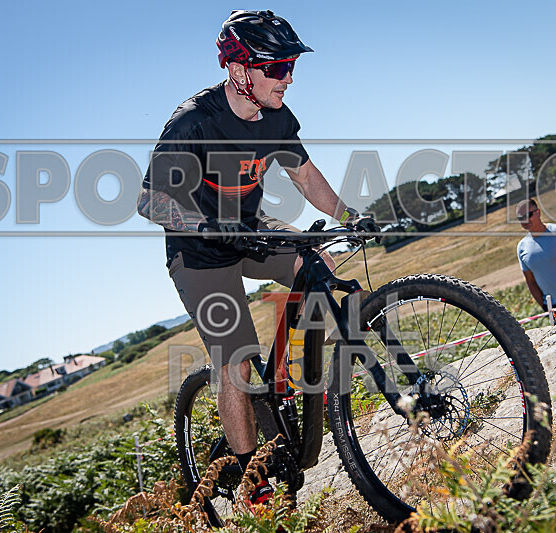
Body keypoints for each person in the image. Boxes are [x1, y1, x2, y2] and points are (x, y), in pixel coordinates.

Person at [135, 10, 377, 505]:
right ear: (238, 69)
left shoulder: (278, 119)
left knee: (319, 266)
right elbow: (150, 200)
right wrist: (201, 224)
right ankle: (254, 479)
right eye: (276, 67)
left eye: (291, 66)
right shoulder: (195, 121)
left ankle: (292, 385)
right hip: (200, 251)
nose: (288, 78)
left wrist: (349, 214)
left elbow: (306, 177)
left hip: (250, 229)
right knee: (237, 364)